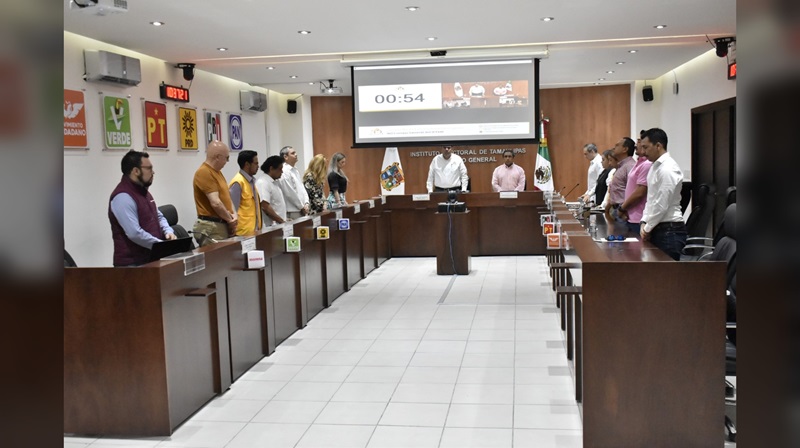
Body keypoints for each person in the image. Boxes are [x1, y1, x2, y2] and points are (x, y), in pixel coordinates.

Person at [108, 150, 176, 266]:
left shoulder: (143, 193)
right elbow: (134, 233)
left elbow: (158, 216)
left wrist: (168, 230)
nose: (153, 172)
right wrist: (161, 245)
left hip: (151, 258)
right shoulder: (122, 197)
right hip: (133, 265)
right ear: (136, 171)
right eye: (149, 168)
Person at [639, 128, 687, 260]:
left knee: (666, 273)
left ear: (658, 146)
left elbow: (661, 204)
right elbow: (651, 199)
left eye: (646, 147)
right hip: (657, 227)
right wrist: (644, 222)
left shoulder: (668, 168)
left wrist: (647, 228)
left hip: (669, 231)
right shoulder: (655, 166)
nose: (643, 152)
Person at [192, 140, 236, 246]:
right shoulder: (204, 172)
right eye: (226, 158)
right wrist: (230, 220)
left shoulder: (217, 172)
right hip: (213, 227)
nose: (227, 161)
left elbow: (226, 197)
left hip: (221, 224)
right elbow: (216, 203)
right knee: (218, 256)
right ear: (217, 157)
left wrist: (233, 215)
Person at [618, 131, 653, 234]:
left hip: (638, 217)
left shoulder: (647, 164)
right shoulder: (639, 162)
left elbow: (640, 193)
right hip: (631, 215)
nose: (635, 145)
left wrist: (622, 208)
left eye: (639, 141)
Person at [227, 150, 262, 236]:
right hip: (242, 232)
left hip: (253, 231)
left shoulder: (251, 181)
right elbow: (232, 210)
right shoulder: (238, 182)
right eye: (256, 163)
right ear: (247, 164)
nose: (258, 166)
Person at [277, 146, 310, 220]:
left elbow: (302, 188)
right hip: (293, 210)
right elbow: (290, 192)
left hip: (302, 209)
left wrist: (306, 203)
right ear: (285, 157)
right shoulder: (284, 171)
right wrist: (301, 207)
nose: (296, 154)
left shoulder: (295, 170)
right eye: (293, 153)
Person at [256, 155, 287, 226]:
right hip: (270, 226)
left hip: (278, 223)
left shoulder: (274, 182)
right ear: (271, 168)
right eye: (280, 169)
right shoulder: (263, 183)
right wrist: (281, 221)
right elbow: (265, 206)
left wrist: (284, 219)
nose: (282, 172)